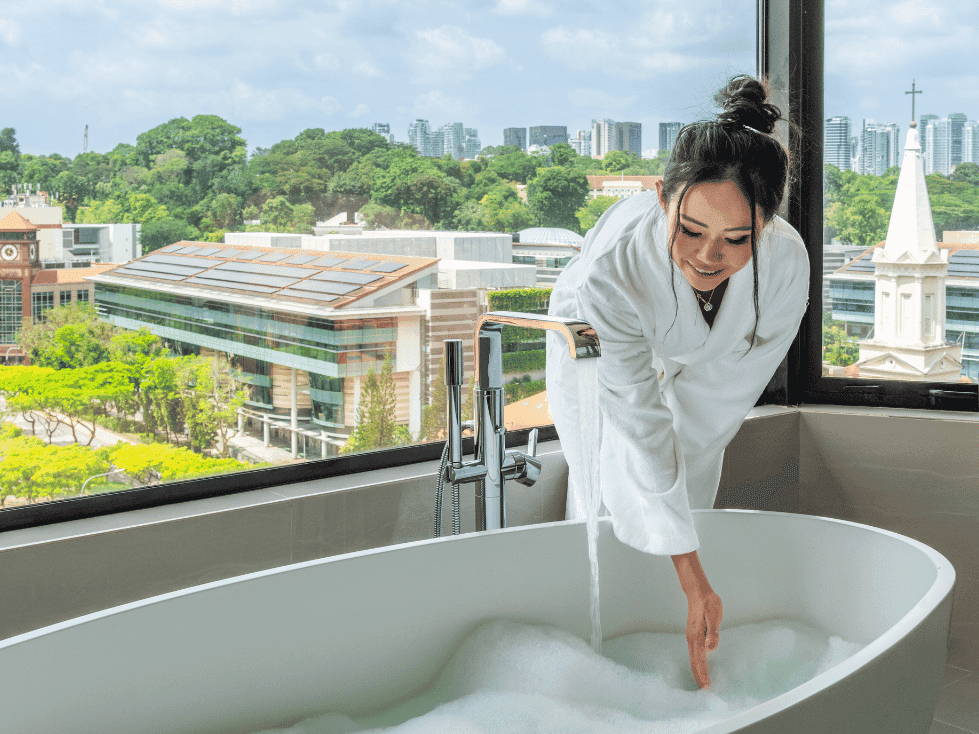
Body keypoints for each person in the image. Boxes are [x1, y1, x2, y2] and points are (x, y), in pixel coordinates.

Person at [544, 75, 810, 691]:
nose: (707, 256)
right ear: (663, 197)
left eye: (736, 239)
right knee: (603, 477)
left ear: (766, 225)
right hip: (590, 340)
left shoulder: (786, 268)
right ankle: (595, 645)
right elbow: (639, 419)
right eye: (689, 229)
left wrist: (691, 572)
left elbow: (710, 413)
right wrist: (693, 577)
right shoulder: (612, 271)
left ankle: (678, 631)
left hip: (692, 355)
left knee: (694, 463)